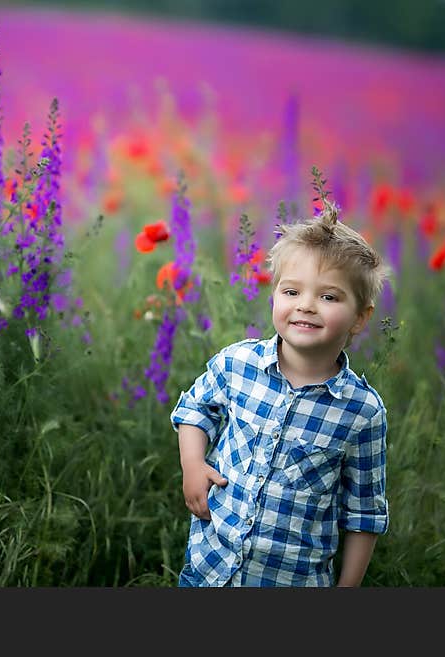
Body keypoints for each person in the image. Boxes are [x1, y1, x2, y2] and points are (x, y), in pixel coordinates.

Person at [171, 197, 391, 587]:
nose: (306, 305)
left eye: (328, 297)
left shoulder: (362, 412)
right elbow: (194, 410)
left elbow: (364, 514)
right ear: (274, 295)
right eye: (291, 292)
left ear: (360, 317)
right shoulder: (237, 364)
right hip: (209, 571)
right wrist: (193, 464)